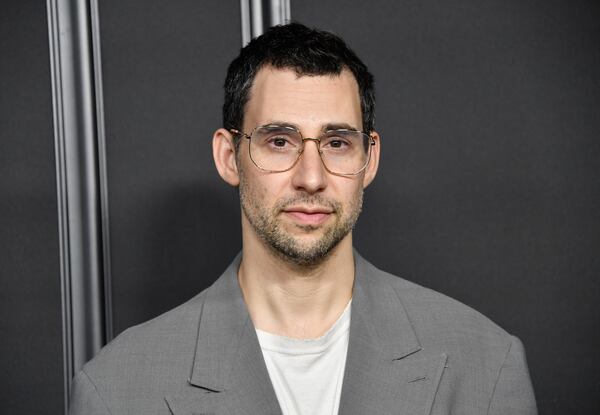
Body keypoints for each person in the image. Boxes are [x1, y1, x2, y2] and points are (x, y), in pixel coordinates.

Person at [69, 23, 537, 415]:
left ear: (369, 160)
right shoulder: (115, 392)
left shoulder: (487, 366)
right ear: (230, 157)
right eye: (279, 141)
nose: (311, 178)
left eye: (337, 143)